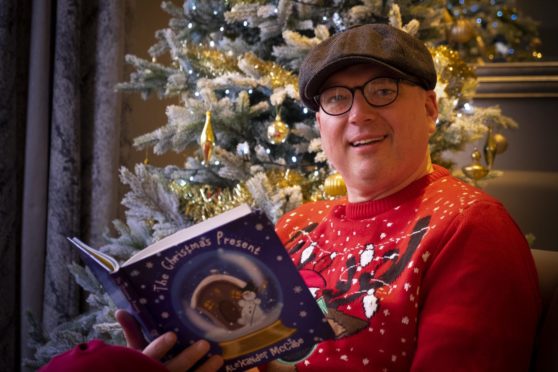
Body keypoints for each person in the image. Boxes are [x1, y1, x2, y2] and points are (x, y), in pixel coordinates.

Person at [117, 23, 540, 371]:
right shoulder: (296, 224)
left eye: (383, 89)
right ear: (321, 125)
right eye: (337, 98)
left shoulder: (469, 226)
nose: (358, 114)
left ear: (430, 109)